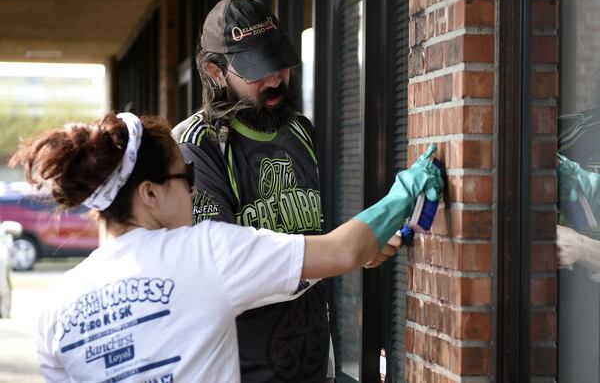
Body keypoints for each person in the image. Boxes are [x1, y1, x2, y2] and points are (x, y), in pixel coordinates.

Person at [13, 112, 443, 382]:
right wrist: (405, 193)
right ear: (150, 193)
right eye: (187, 178)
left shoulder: (55, 310)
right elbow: (342, 252)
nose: (195, 189)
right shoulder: (204, 252)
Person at [173, 0, 406, 381]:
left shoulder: (301, 130)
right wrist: (338, 253)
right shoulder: (195, 145)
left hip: (313, 362)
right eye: (256, 70)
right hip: (241, 371)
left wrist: (361, 246)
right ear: (216, 71)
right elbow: (225, 271)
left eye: (278, 64)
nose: (275, 79)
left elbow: (320, 231)